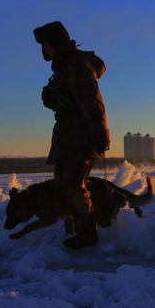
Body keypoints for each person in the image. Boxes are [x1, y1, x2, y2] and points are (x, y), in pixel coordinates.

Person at [34, 21, 110, 249]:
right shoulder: (66, 66)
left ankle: (87, 233)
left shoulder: (76, 65)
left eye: (46, 44)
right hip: (68, 137)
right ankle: (76, 229)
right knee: (64, 186)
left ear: (53, 43)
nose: (44, 49)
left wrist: (99, 134)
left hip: (80, 137)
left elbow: (92, 102)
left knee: (72, 186)